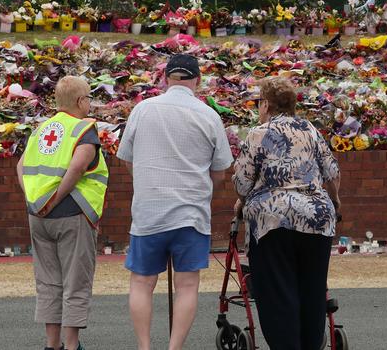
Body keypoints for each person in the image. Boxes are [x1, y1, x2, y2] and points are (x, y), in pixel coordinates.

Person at [117, 54, 234, 350]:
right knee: (187, 286)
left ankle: (144, 347)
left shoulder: (142, 110)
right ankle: (174, 347)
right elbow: (220, 172)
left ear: (166, 78)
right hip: (190, 213)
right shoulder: (208, 115)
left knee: (142, 283)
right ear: (197, 80)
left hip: (149, 211)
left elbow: (128, 160)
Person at [232, 76, 341, 350]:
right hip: (316, 218)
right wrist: (336, 202)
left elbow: (242, 181)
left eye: (259, 103)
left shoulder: (259, 133)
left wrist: (242, 202)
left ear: (266, 104)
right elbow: (333, 172)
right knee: (313, 292)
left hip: (273, 221)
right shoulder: (311, 131)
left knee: (278, 293)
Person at [17, 76, 109, 350]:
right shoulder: (83, 130)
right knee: (75, 283)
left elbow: (21, 167)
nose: (90, 102)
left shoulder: (40, 129)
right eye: (89, 97)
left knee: (48, 283)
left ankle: (51, 345)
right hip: (71, 215)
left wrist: (36, 201)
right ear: (81, 101)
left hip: (38, 217)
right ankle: (71, 346)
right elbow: (79, 166)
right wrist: (55, 200)